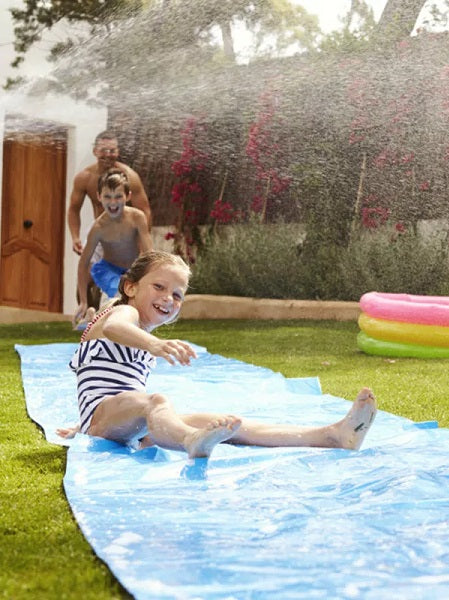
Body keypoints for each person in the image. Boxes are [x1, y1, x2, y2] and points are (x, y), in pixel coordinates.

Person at [58, 250, 377, 459]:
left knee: (233, 424)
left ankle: (333, 436)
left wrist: (82, 422)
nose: (168, 298)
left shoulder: (134, 324)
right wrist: (155, 346)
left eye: (177, 294)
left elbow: (98, 381)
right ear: (130, 288)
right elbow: (114, 328)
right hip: (107, 418)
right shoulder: (124, 315)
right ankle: (190, 441)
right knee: (157, 402)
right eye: (159, 286)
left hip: (122, 420)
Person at [68, 130, 152, 310]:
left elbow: (144, 210)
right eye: (104, 150)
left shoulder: (130, 176)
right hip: (101, 230)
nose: (108, 155)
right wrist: (75, 237)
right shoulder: (85, 178)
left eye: (112, 150)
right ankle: (85, 313)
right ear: (95, 151)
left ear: (118, 151)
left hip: (126, 230)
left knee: (131, 277)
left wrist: (140, 238)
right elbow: (74, 209)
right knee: (87, 273)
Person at [72, 169, 153, 326]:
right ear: (99, 197)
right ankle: (95, 317)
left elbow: (150, 253)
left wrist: (148, 278)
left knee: (135, 305)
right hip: (107, 270)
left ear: (128, 196)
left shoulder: (137, 218)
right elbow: (83, 264)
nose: (113, 202)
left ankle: (94, 318)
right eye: (107, 197)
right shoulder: (98, 228)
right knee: (116, 297)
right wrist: (83, 302)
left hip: (132, 270)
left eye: (118, 196)